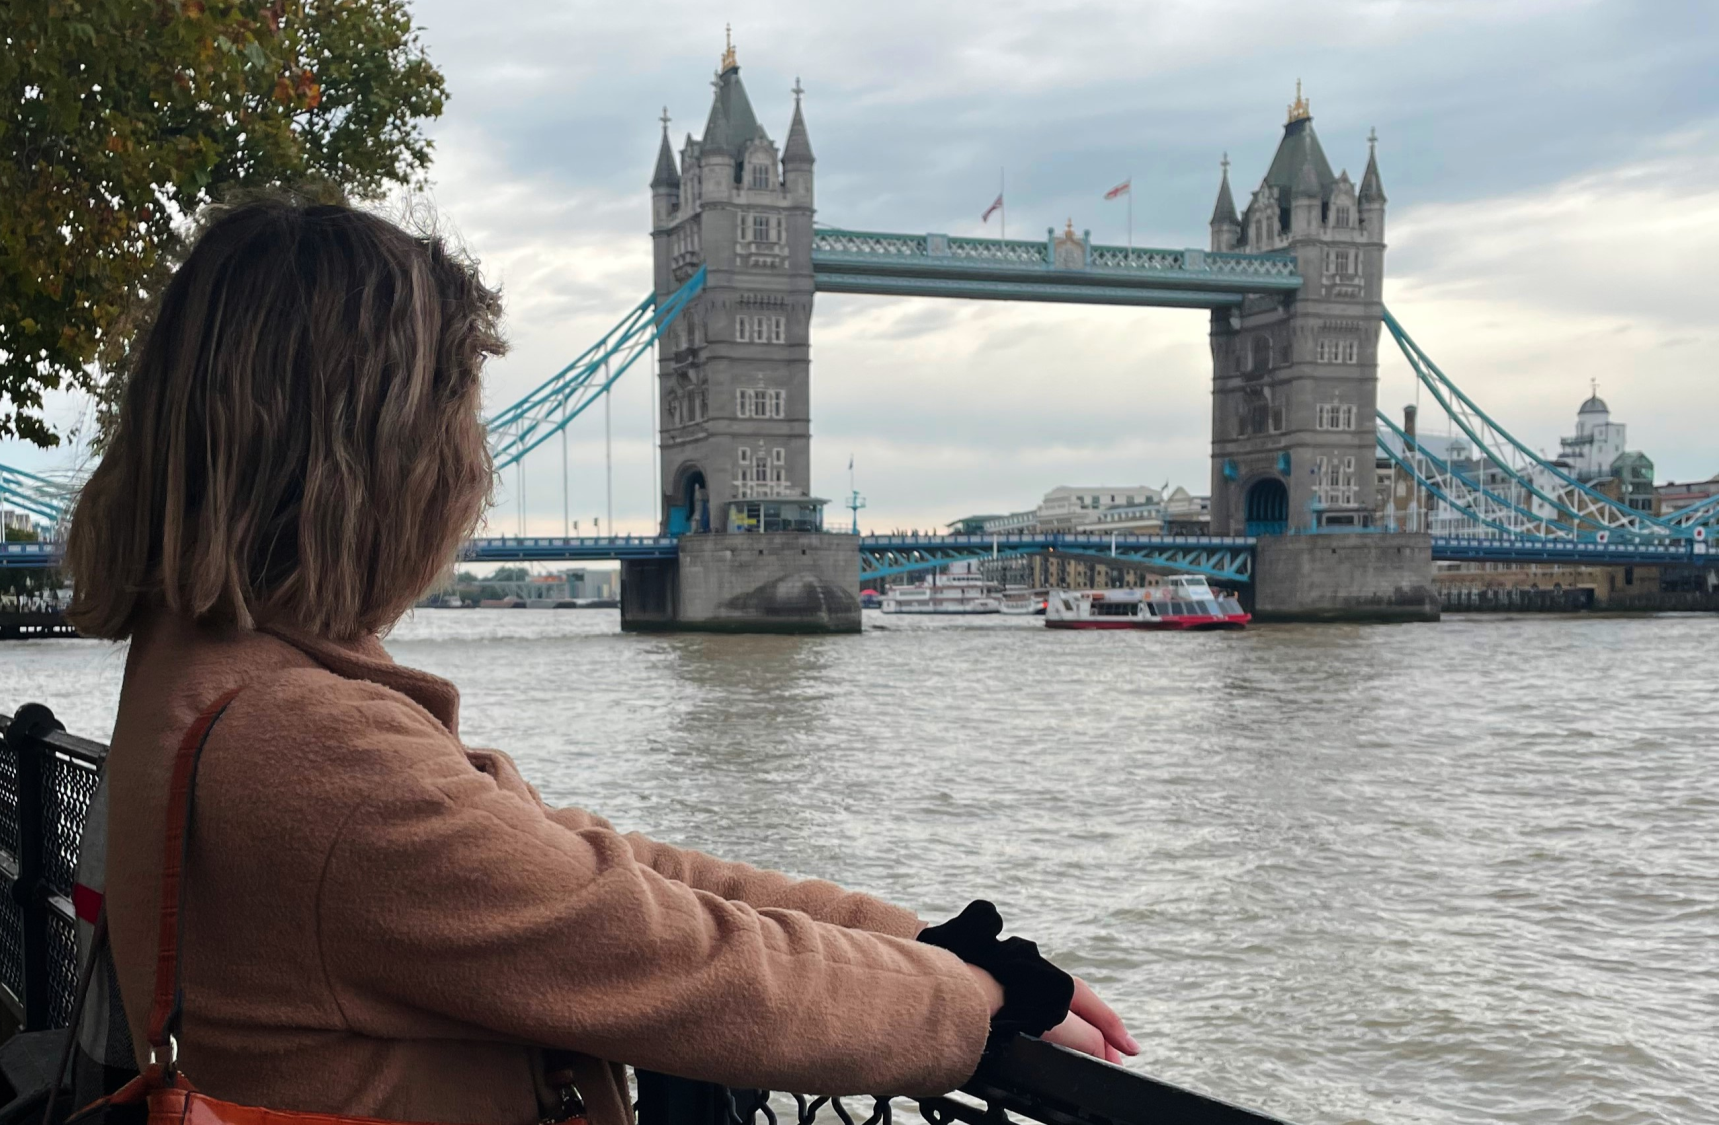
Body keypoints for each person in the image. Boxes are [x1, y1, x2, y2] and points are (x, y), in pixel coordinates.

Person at [66, 197, 1135, 1125]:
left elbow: (573, 865)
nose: (477, 467)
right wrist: (970, 1000)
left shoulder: (210, 679)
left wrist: (919, 938)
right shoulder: (311, 752)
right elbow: (683, 965)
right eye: (460, 422)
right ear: (379, 460)